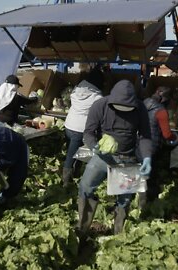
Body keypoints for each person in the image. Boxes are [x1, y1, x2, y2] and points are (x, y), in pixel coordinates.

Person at [77, 80, 153, 236]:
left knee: (125, 198)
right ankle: (82, 227)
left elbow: (145, 136)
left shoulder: (140, 109)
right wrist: (94, 146)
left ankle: (118, 232)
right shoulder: (100, 105)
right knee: (85, 186)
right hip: (102, 157)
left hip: (127, 158)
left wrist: (146, 157)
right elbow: (88, 132)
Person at [138, 86, 178, 208]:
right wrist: (176, 138)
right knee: (151, 175)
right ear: (164, 100)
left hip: (138, 143)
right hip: (152, 145)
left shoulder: (142, 103)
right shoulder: (161, 111)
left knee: (140, 172)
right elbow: (167, 135)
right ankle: (147, 203)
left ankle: (138, 198)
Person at [62, 66, 104, 187]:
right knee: (72, 155)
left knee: (73, 151)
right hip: (80, 129)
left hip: (69, 125)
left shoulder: (77, 89)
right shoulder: (97, 97)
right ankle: (66, 181)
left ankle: (74, 173)